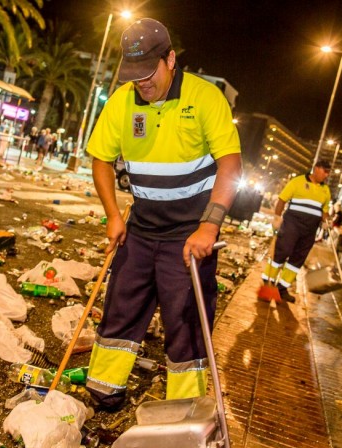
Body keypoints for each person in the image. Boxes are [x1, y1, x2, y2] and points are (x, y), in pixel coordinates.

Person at [84, 18, 242, 409]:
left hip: (189, 233)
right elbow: (101, 159)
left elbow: (231, 167)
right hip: (140, 227)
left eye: (149, 73)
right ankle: (105, 389)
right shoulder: (123, 100)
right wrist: (113, 216)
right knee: (121, 306)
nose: (143, 83)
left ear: (171, 59)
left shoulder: (206, 99)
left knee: (185, 322)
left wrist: (209, 226)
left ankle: (182, 409)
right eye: (134, 75)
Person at [261, 161, 332, 303]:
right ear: (316, 169)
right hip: (292, 223)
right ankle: (268, 284)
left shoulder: (326, 190)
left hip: (310, 229)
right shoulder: (297, 182)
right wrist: (277, 217)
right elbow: (282, 200)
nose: (327, 174)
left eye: (328, 172)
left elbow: (324, 210)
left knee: (298, 258)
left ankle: (282, 288)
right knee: (282, 251)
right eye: (325, 171)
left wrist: (326, 221)